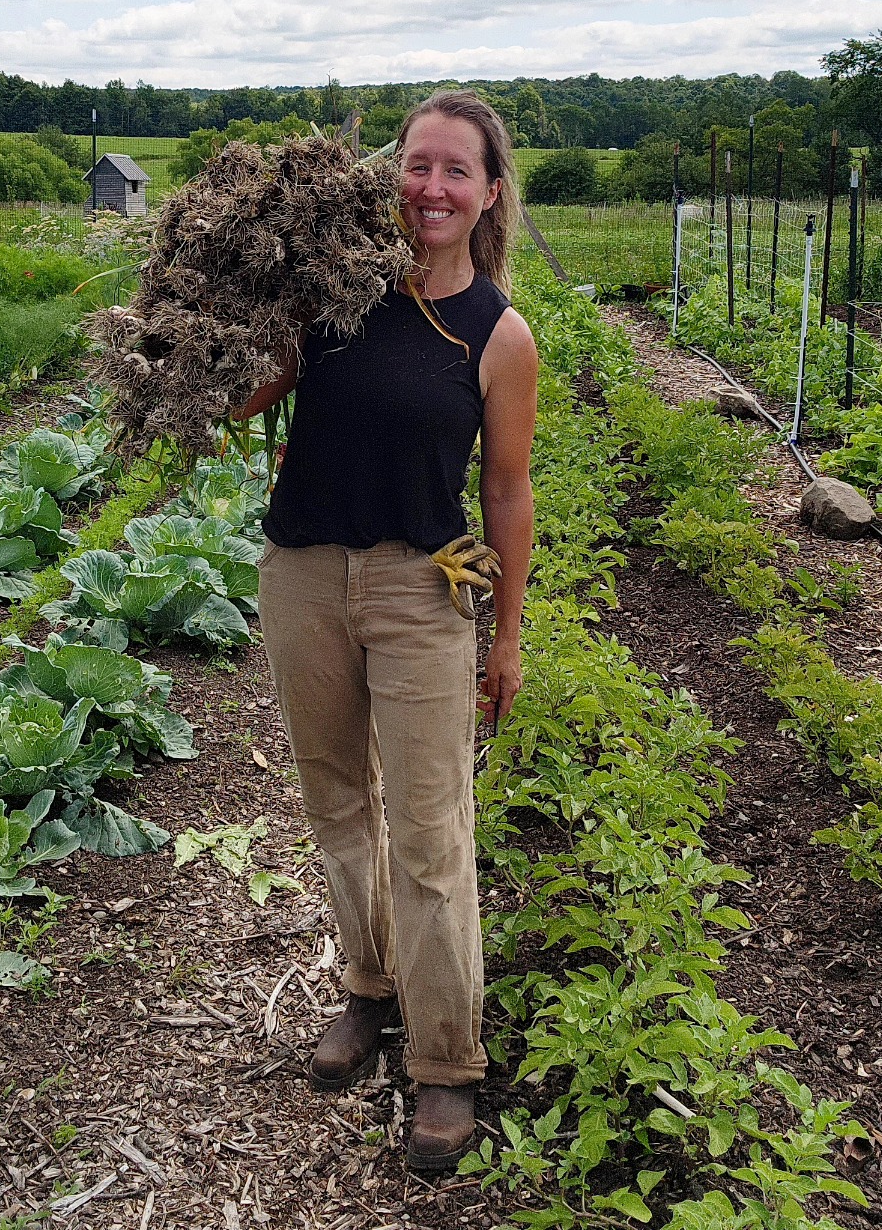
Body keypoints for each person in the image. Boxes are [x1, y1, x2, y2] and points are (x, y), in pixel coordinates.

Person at [238, 90, 538, 1170]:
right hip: (305, 577)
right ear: (389, 175)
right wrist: (218, 302)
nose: (433, 189)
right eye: (418, 166)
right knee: (336, 808)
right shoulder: (330, 301)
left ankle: (447, 1064)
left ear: (488, 192)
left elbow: (508, 494)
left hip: (422, 594)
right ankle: (368, 989)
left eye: (457, 171)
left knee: (430, 832)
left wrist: (505, 636)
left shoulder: (499, 336)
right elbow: (240, 396)